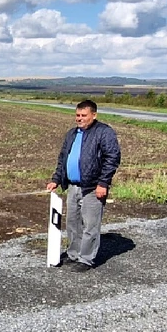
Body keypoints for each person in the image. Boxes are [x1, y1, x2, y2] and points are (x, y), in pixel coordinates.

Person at [46, 99, 121, 271]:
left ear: (94, 115)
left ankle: (86, 259)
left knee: (90, 225)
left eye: (83, 115)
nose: (79, 119)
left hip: (93, 187)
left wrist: (103, 183)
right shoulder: (72, 134)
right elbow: (63, 158)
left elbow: (112, 159)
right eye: (77, 115)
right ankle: (73, 254)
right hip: (73, 186)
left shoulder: (104, 132)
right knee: (72, 224)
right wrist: (56, 179)